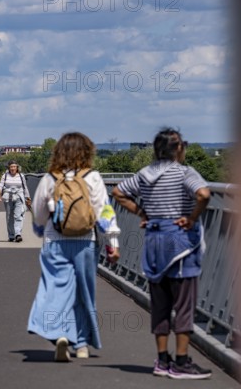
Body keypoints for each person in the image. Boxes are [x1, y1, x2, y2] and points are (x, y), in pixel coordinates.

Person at [112, 128, 212, 379]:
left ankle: (162, 360)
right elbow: (203, 193)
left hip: (154, 239)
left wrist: (143, 214)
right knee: (184, 303)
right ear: (178, 149)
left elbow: (118, 192)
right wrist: (191, 217)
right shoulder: (184, 172)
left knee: (161, 303)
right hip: (179, 243)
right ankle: (181, 362)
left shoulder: (145, 174)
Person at [27, 132, 121, 361]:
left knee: (55, 289)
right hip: (85, 242)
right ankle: (81, 344)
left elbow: (39, 212)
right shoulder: (93, 177)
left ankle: (59, 334)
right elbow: (104, 210)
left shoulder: (51, 178)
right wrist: (113, 242)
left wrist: (41, 230)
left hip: (55, 241)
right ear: (87, 152)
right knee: (84, 292)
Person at [0, 160, 31, 242]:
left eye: (14, 166)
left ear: (17, 167)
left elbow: (25, 187)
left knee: (18, 215)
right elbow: (0, 186)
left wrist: (28, 197)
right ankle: (11, 235)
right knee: (9, 217)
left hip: (19, 197)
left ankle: (18, 234)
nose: (13, 168)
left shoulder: (21, 176)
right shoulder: (5, 176)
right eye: (11, 167)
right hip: (8, 198)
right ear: (9, 167)